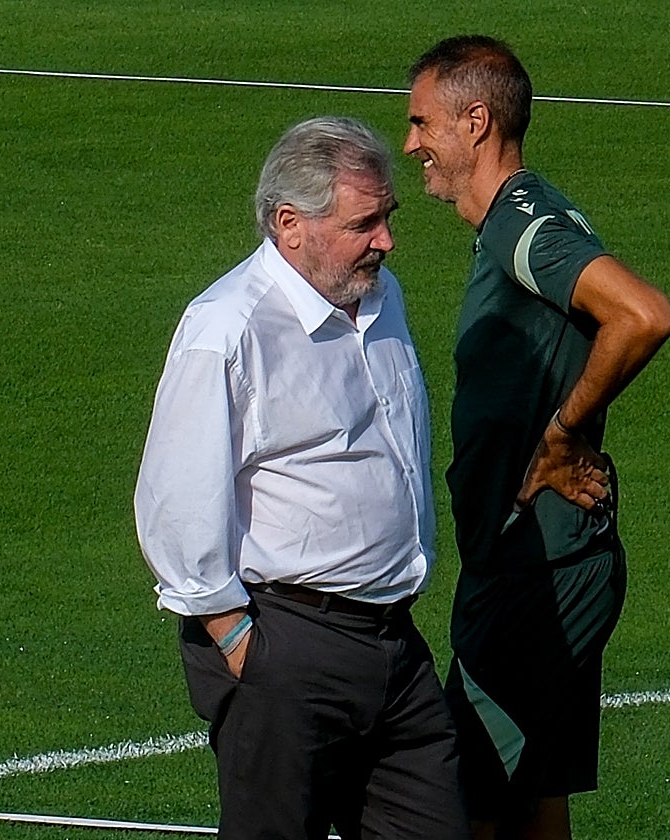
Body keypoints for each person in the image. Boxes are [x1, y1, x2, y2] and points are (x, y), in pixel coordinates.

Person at [134, 116, 471, 840]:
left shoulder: (381, 296)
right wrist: (239, 641)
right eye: (364, 223)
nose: (387, 240)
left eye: (387, 217)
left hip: (394, 642)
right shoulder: (228, 329)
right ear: (290, 224)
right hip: (287, 642)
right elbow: (175, 501)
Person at [404, 37, 670, 839]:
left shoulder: (525, 228)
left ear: (475, 122)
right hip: (545, 560)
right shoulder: (525, 217)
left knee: (467, 808)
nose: (411, 144)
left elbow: (643, 314)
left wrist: (562, 433)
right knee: (536, 798)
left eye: (422, 123)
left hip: (535, 570)